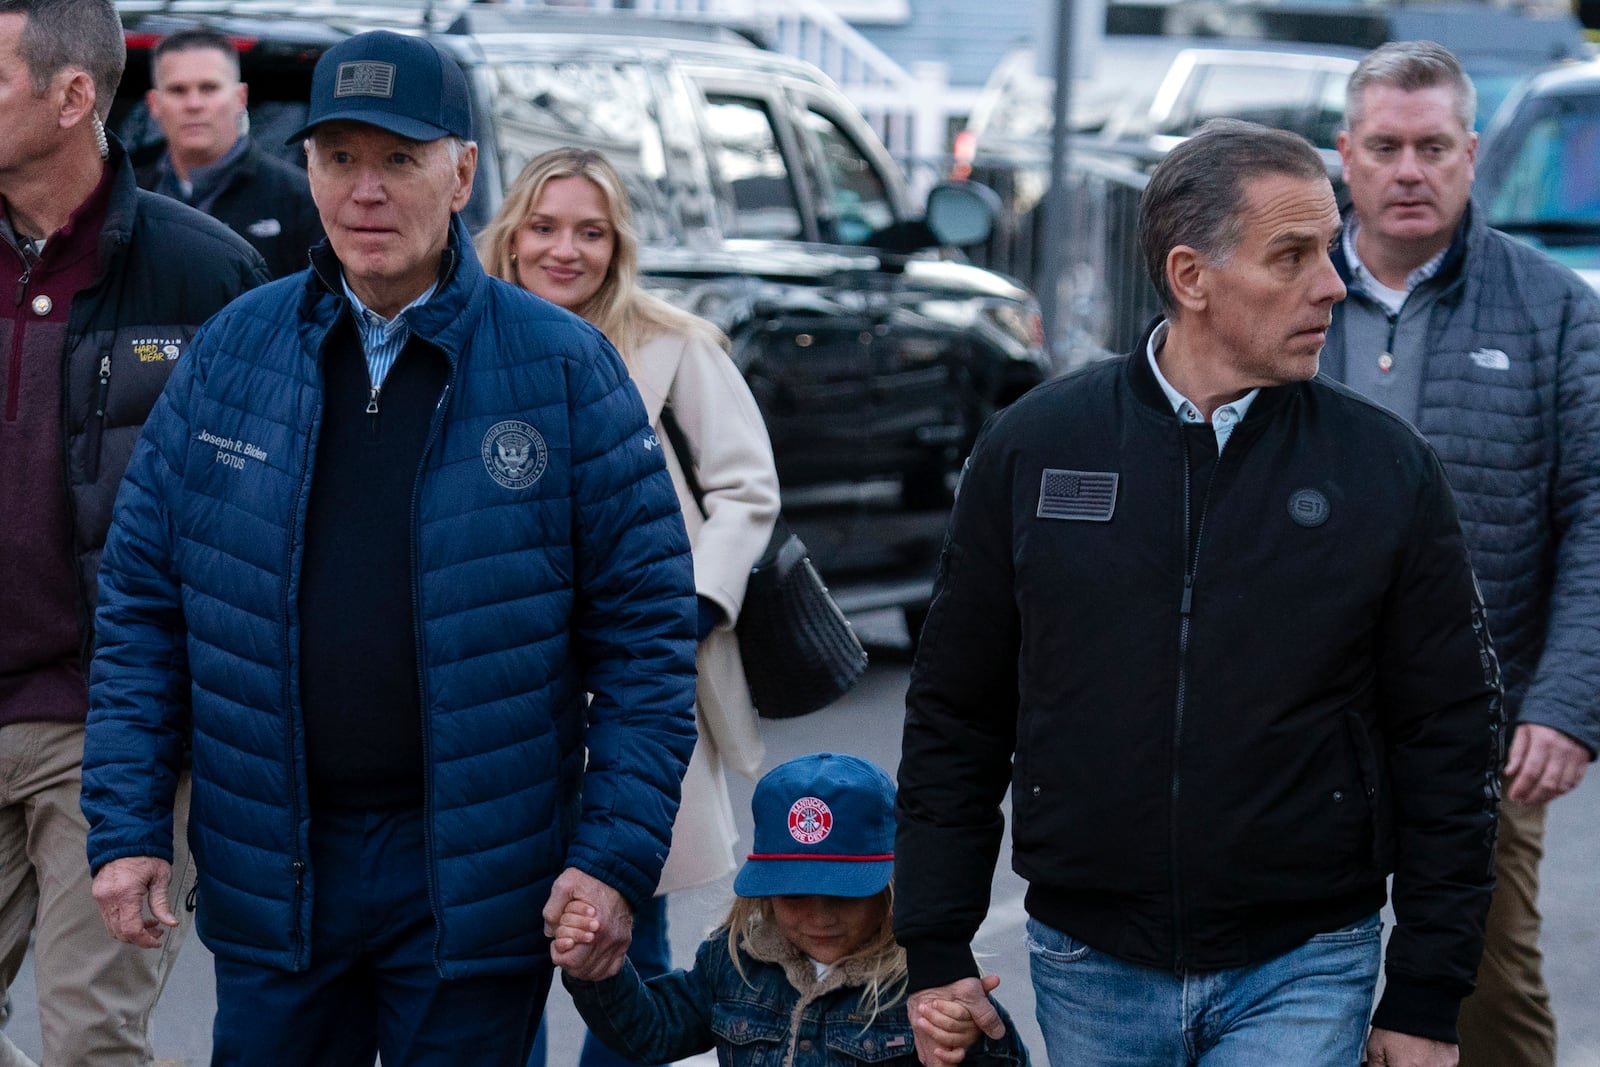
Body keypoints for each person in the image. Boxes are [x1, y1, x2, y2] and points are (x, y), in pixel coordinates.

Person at [78, 29, 698, 1066]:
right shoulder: (234, 351)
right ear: (307, 169)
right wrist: (127, 825)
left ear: (461, 173)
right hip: (277, 860)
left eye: (399, 160)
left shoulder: (563, 370)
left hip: (475, 874)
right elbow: (143, 608)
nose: (366, 190)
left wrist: (613, 858)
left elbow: (644, 639)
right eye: (339, 159)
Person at [894, 119, 1505, 1067]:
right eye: (1293, 256)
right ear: (1191, 278)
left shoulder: (1386, 470)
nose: (1334, 286)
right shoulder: (1034, 447)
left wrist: (1427, 990)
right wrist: (935, 945)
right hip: (1089, 958)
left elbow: (1451, 737)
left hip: (1305, 958)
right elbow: (956, 713)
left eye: (1330, 250)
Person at [0, 0, 266, 1062]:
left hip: (109, 729)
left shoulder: (207, 277)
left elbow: (255, 528)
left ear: (73, 99)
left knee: (90, 1042)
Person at [1328, 40, 1600, 1067]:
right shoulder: (1279, 287)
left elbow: (1594, 509)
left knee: (1482, 982)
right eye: (1387, 146)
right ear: (1346, 152)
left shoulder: (1552, 307)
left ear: (1471, 153)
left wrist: (1566, 701)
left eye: (1432, 146)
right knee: (1305, 974)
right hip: (1295, 710)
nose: (1410, 169)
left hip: (1478, 718)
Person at [479, 146, 780, 1067]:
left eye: (590, 232)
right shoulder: (465, 335)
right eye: (544, 227)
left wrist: (688, 603)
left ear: (619, 244)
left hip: (631, 676)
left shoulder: (670, 342)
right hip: (494, 678)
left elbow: (746, 487)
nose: (564, 250)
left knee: (624, 929)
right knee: (491, 947)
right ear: (509, 232)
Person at [553, 752, 1030, 1067]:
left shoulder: (923, 981)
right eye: (795, 895)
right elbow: (651, 1032)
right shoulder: (734, 961)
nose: (820, 917)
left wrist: (974, 1042)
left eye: (844, 895)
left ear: (889, 886)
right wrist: (598, 969)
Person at [136, 27, 322, 278]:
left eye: (209, 88)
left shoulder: (302, 198)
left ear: (240, 97)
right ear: (154, 104)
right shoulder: (126, 195)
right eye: (178, 90)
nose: (194, 104)